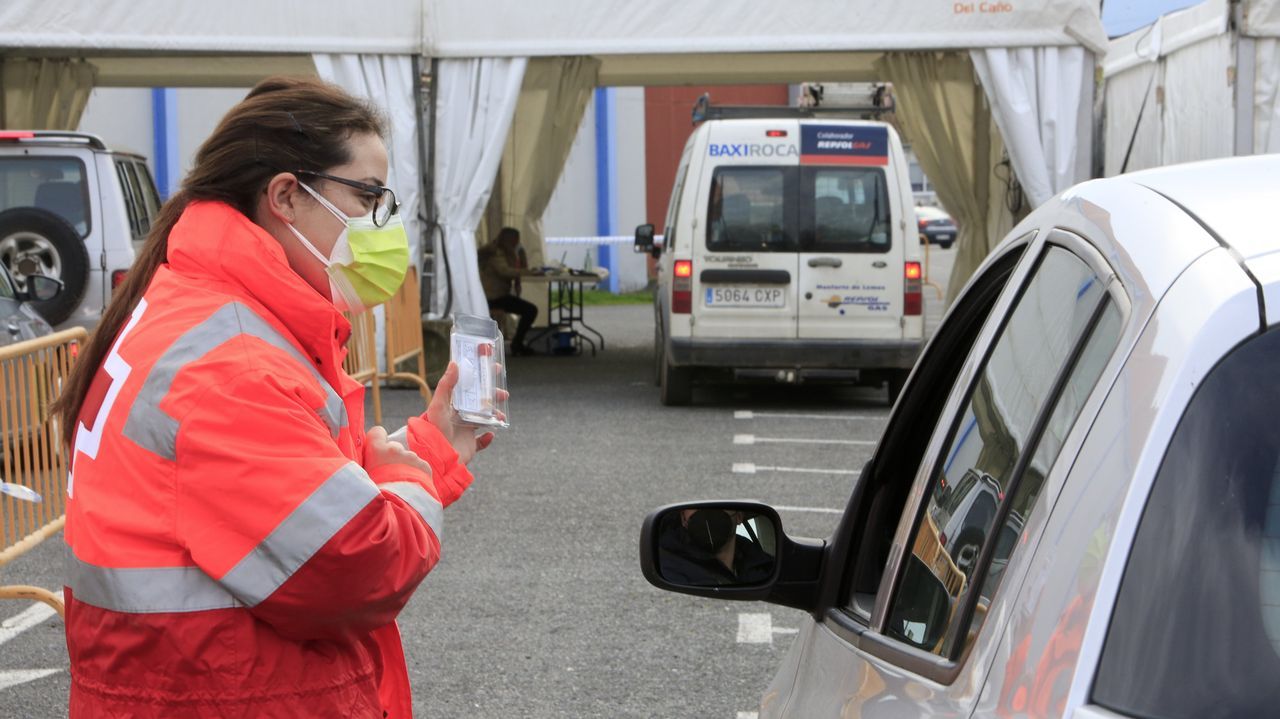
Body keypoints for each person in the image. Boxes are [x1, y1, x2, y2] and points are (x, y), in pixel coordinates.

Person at [52, 77, 496, 718]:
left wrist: (430, 449)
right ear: (286, 195)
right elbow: (355, 565)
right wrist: (412, 479)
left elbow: (286, 495)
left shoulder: (208, 313)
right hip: (236, 695)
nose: (382, 224)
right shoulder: (235, 365)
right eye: (368, 196)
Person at [657, 508, 776, 587]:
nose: (707, 511)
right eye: (697, 504)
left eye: (718, 504)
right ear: (683, 518)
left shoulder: (764, 566)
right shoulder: (668, 567)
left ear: (739, 515)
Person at [479, 226, 538, 355]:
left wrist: (521, 256)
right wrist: (530, 272)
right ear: (510, 240)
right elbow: (505, 271)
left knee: (529, 309)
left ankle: (518, 342)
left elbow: (516, 268)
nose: (518, 243)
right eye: (516, 240)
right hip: (494, 297)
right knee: (530, 310)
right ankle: (517, 343)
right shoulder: (495, 253)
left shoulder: (502, 251)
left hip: (496, 295)